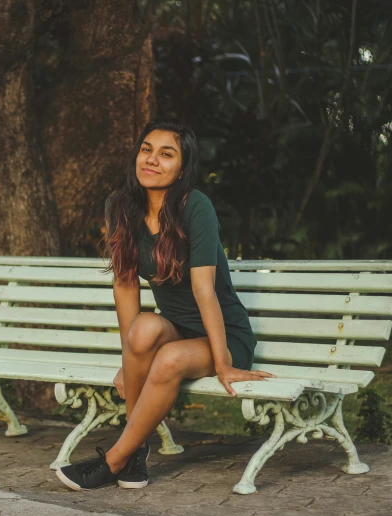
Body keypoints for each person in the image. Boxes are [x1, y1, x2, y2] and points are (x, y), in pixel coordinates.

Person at [55, 120, 274, 492]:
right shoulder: (120, 205)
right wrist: (128, 361)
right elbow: (125, 284)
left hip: (223, 336)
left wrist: (224, 363)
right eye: (146, 149)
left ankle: (113, 461)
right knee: (141, 330)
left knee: (169, 357)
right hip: (174, 326)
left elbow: (204, 289)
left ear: (182, 168)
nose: (152, 159)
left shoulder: (196, 206)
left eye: (166, 154)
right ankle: (136, 454)